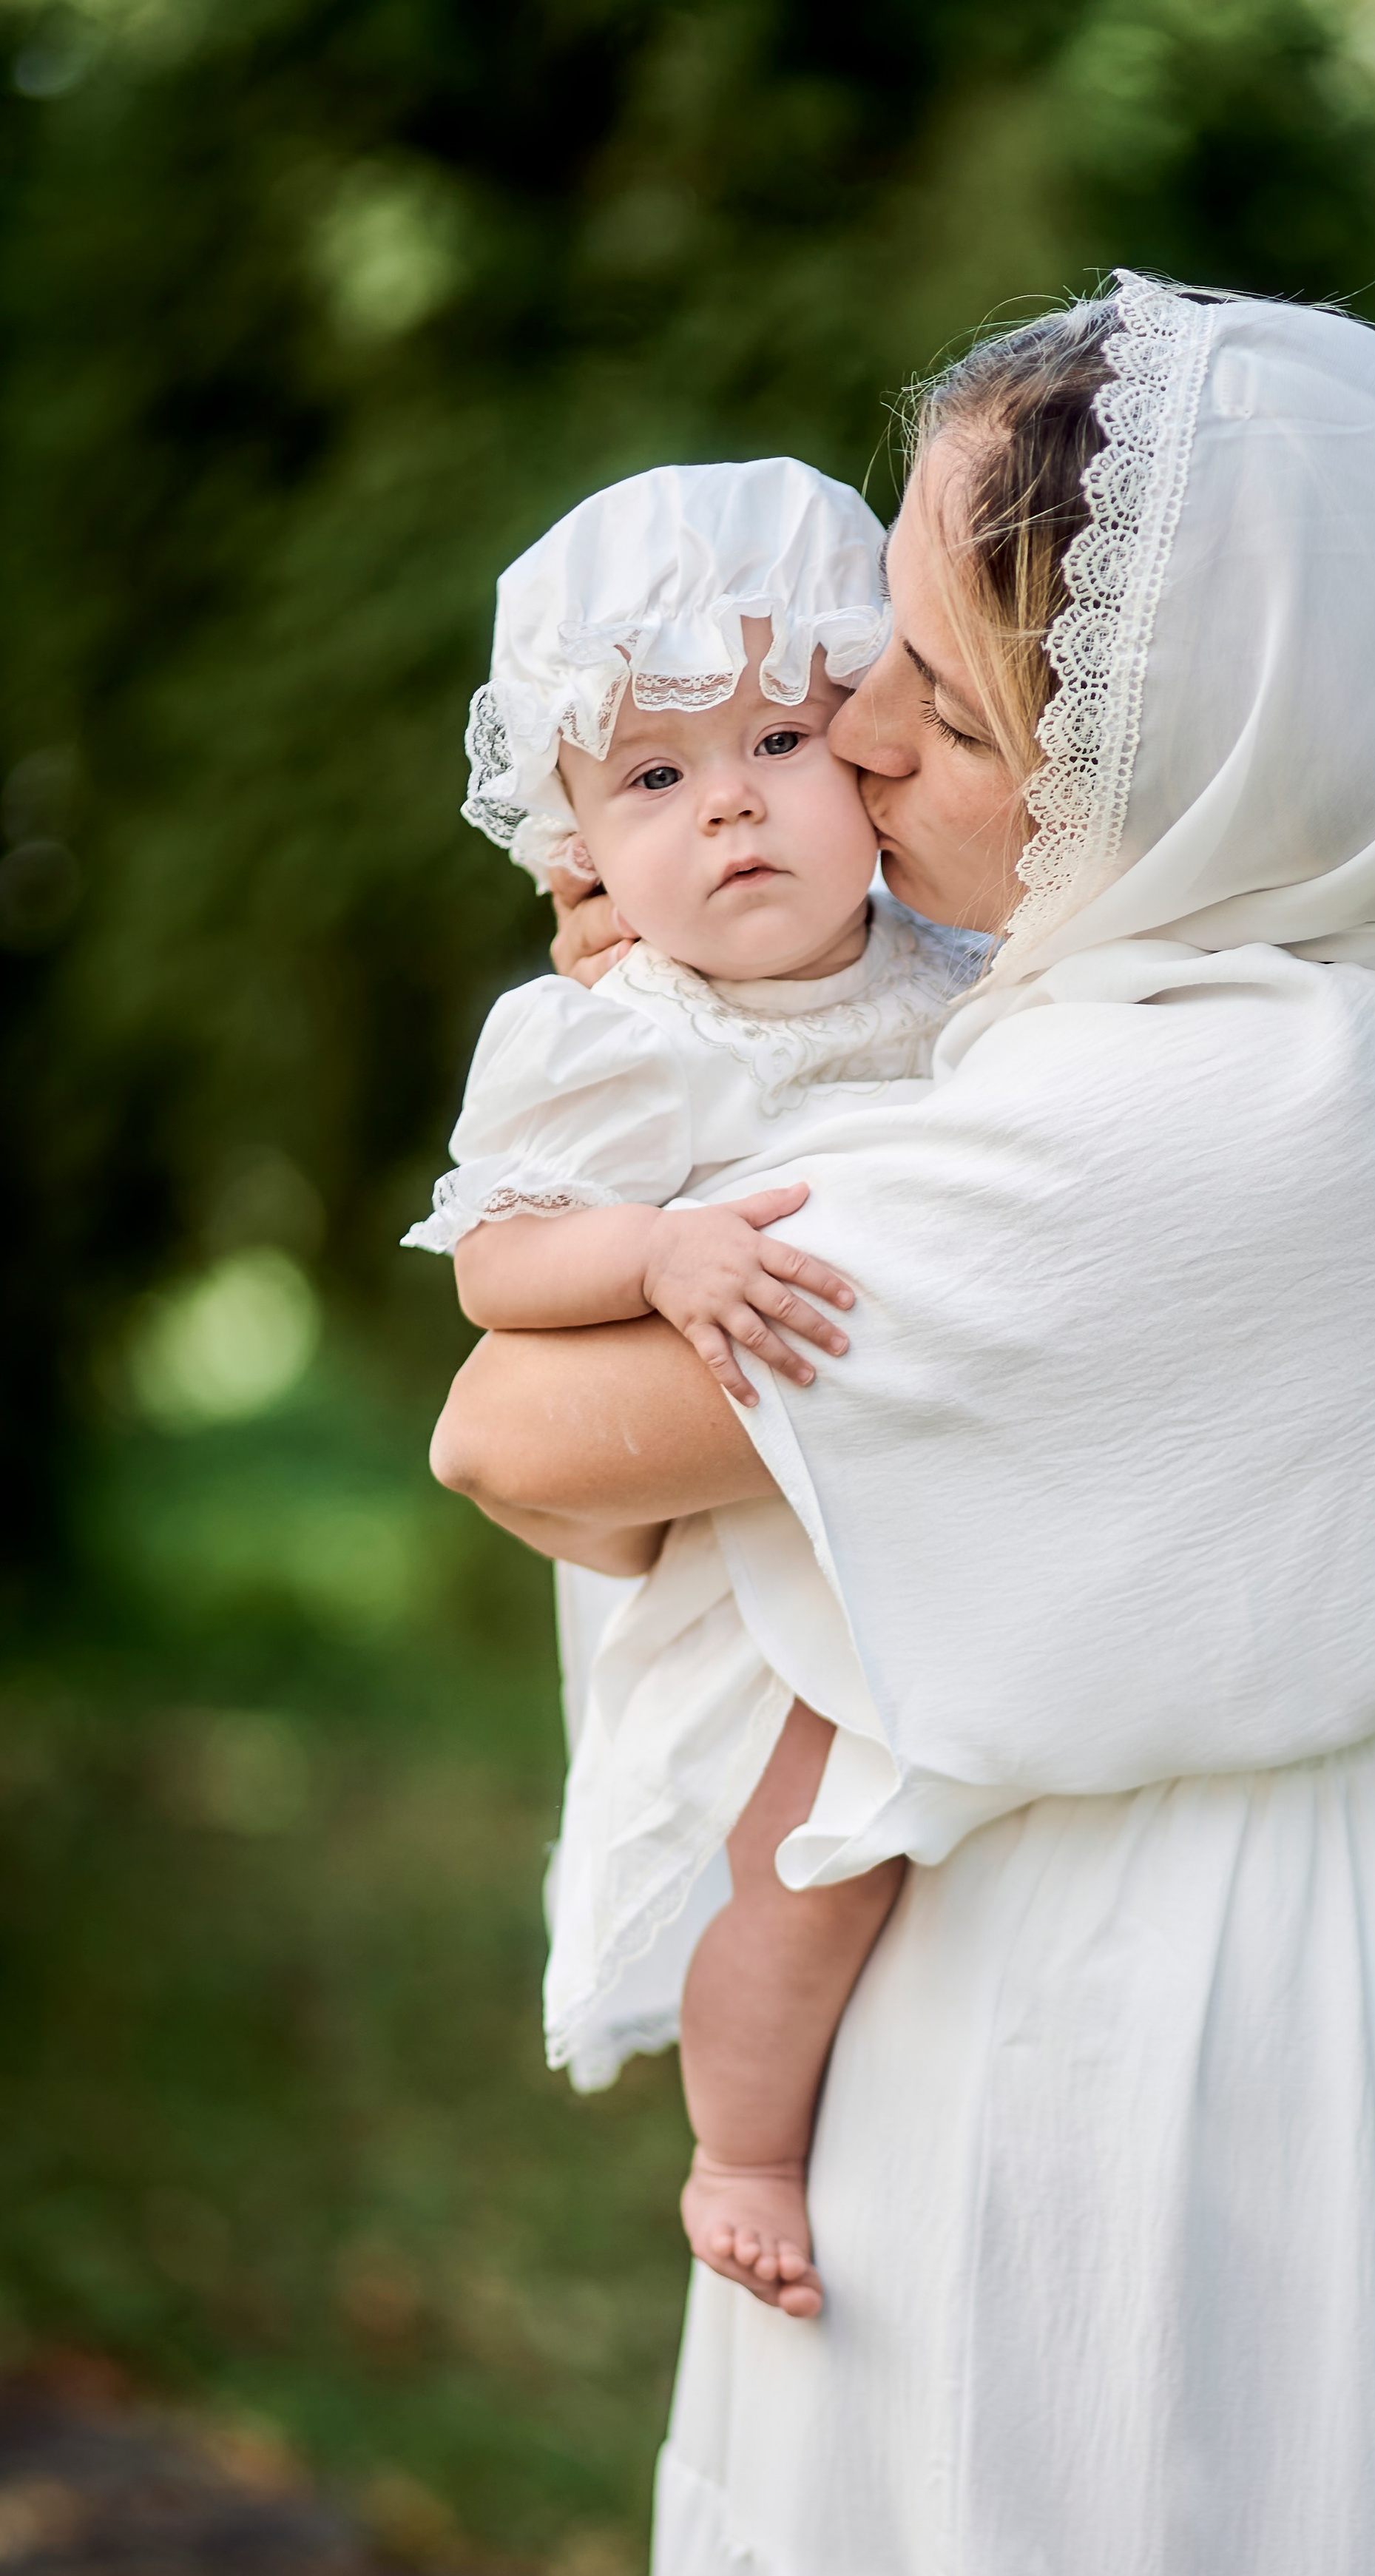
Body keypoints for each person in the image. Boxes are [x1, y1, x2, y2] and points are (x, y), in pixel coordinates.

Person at [431, 277, 1375, 2576]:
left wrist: (672, 1133)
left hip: (1156, 2090)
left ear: (1183, 737)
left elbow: (515, 1429)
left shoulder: (1213, 1114)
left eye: (936, 693)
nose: (863, 746)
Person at [407, 458, 984, 2311]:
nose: (727, 801)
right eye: (654, 777)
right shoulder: (615, 1031)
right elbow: (497, 1256)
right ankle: (739, 2146)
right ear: (578, 848)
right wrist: (653, 1253)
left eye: (779, 739)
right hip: (749, 1557)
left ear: (871, 752)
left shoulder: (955, 964)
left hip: (923, 1494)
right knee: (803, 1853)